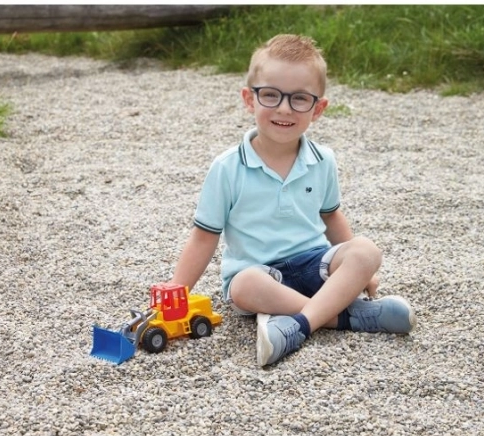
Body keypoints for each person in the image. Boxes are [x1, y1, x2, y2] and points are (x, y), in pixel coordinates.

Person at [169, 34, 416, 367]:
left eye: (299, 98)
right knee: (243, 285)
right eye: (271, 95)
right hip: (260, 275)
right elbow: (204, 236)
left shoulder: (323, 160)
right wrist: (176, 292)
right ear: (249, 99)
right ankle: (346, 316)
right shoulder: (227, 167)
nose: (284, 108)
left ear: (318, 109)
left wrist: (363, 273)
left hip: (315, 265)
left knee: (367, 251)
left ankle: (298, 325)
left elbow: (332, 216)